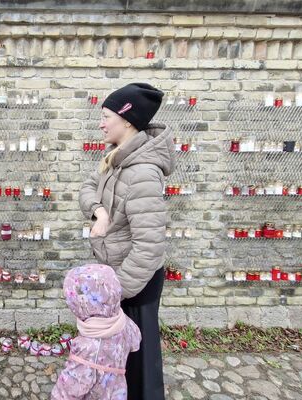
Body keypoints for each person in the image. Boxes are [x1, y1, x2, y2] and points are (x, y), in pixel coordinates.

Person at [78, 83, 175, 400]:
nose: (101, 123)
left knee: (139, 366)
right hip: (117, 276)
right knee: (120, 361)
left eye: (106, 116)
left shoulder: (142, 172)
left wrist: (116, 290)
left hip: (135, 285)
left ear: (127, 119)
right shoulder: (115, 159)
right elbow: (87, 188)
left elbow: (149, 247)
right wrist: (99, 212)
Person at [51, 263, 141, 400]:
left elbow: (72, 387)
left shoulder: (87, 347)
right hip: (117, 392)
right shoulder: (124, 322)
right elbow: (136, 342)